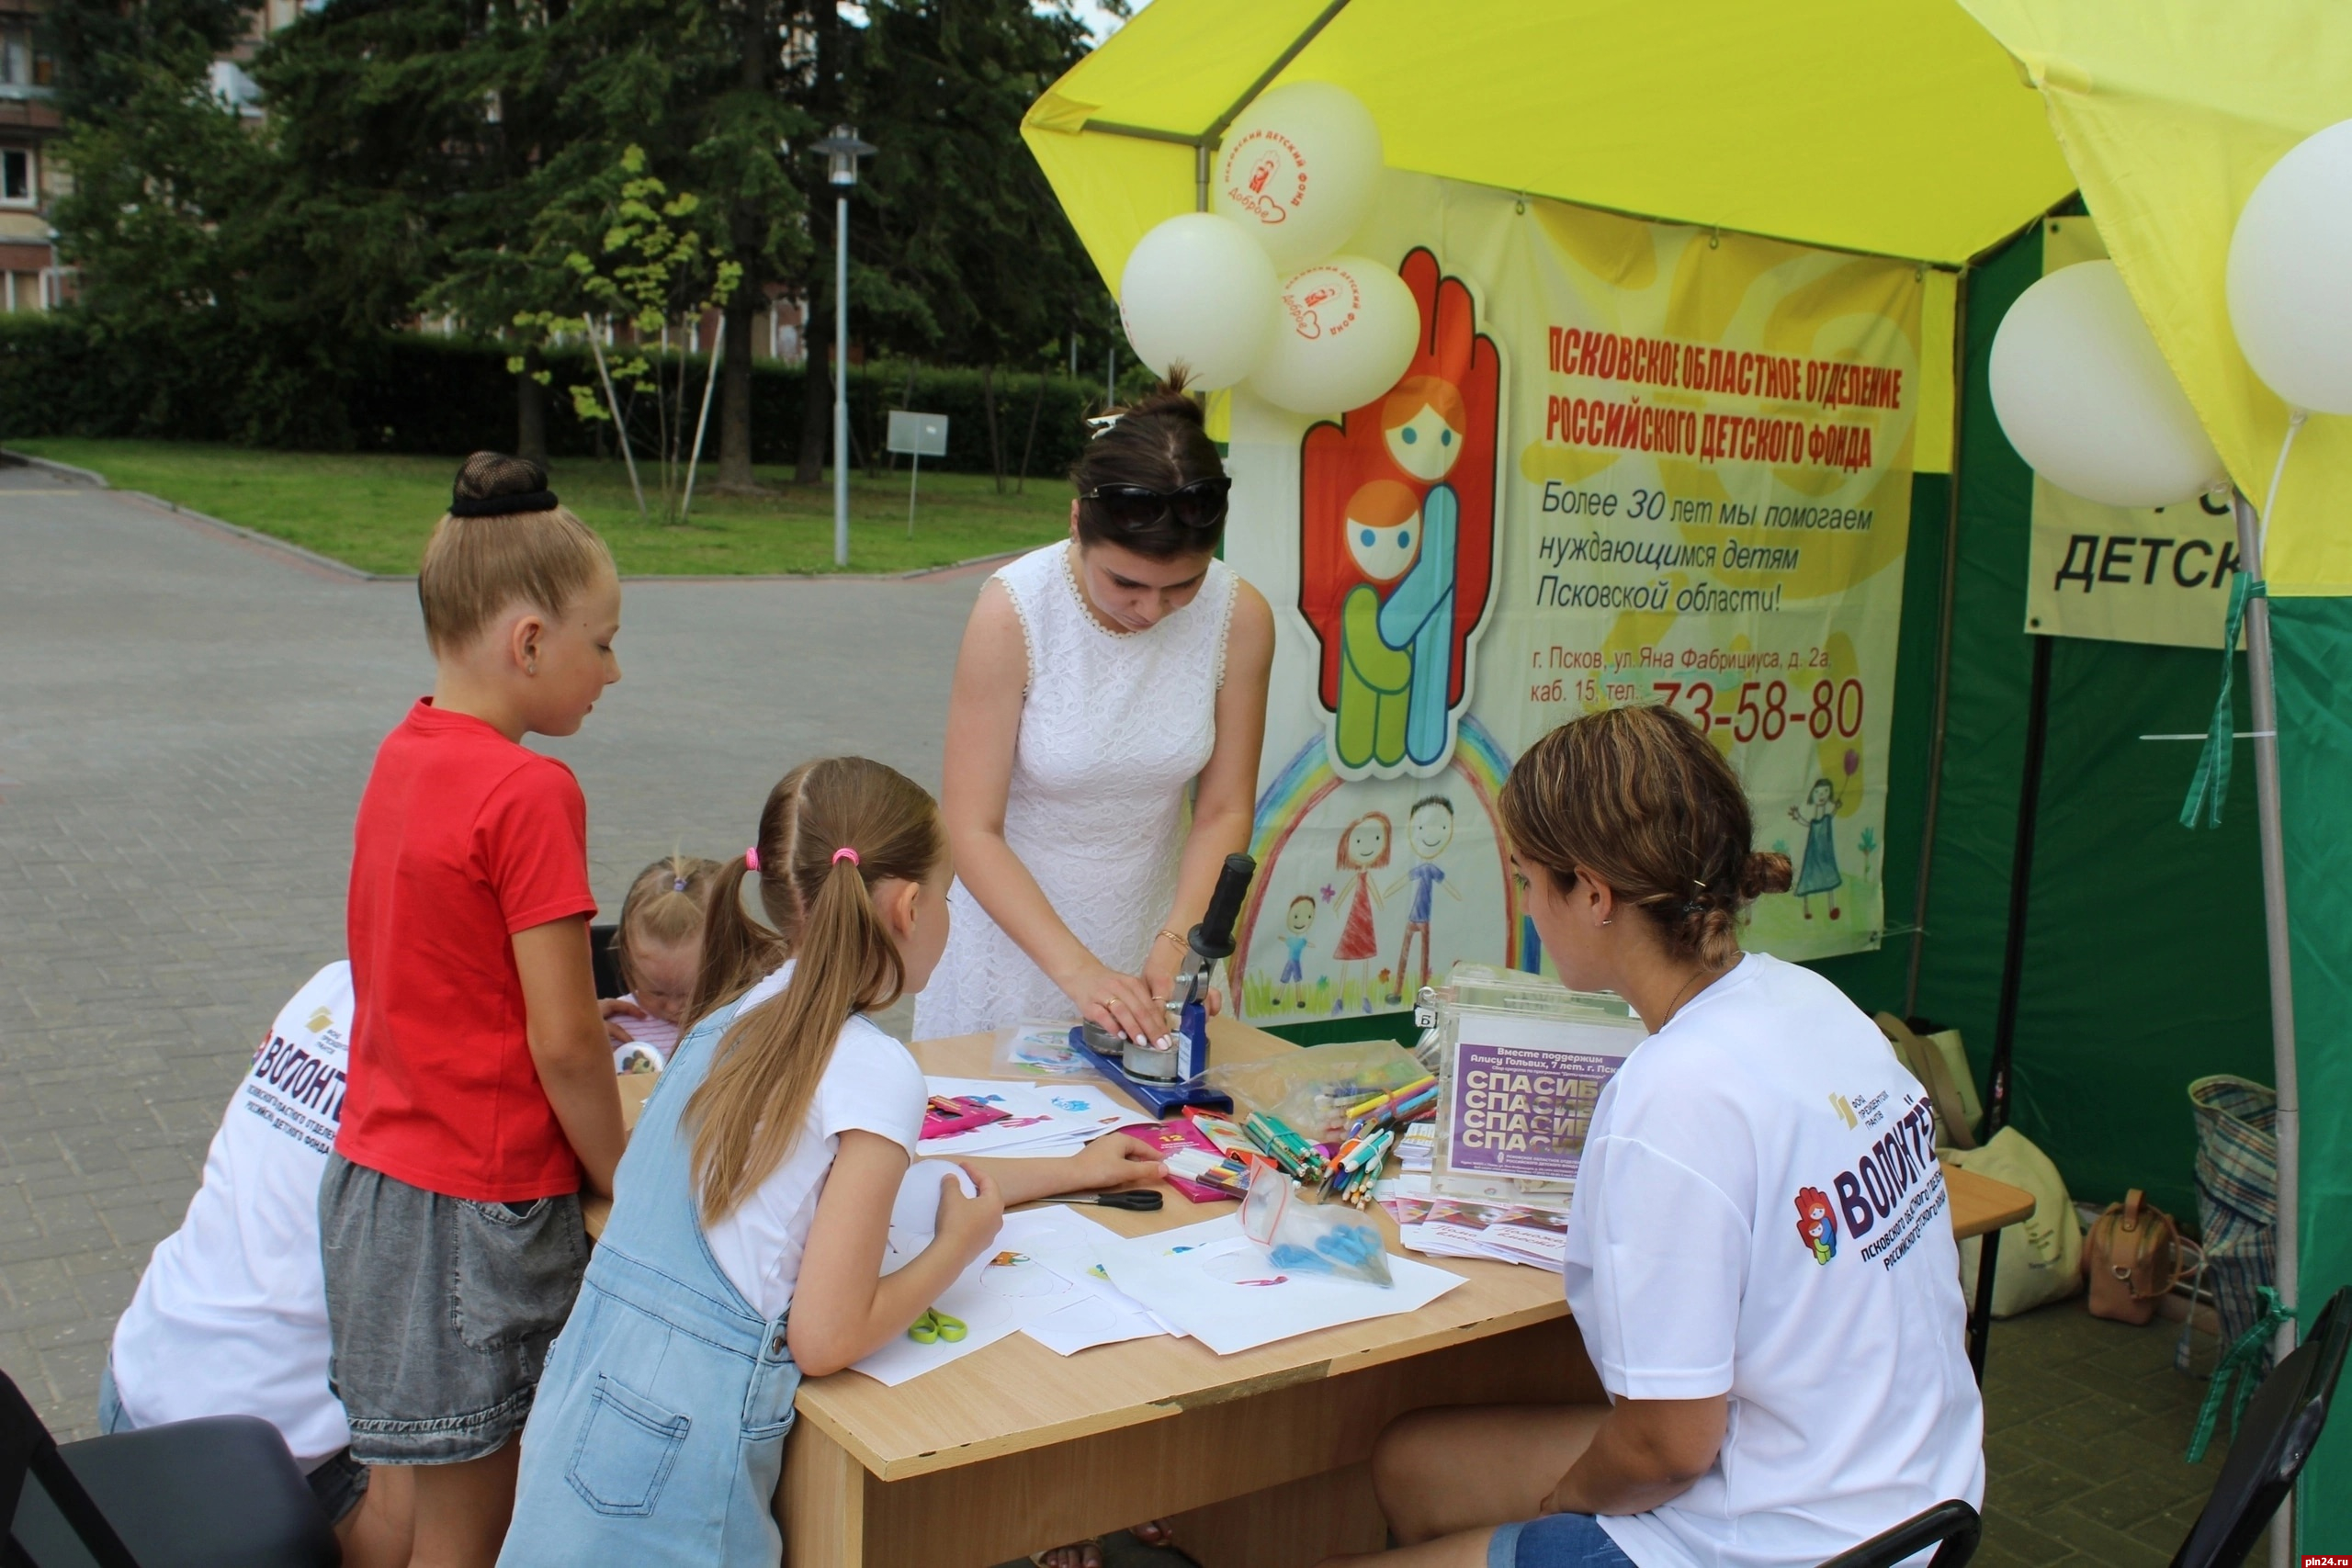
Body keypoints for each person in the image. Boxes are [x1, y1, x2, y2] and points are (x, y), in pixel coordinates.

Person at [1332, 705, 1983, 1568]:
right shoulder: (1808, 1001)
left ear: (1595, 893)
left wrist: (1564, 1508)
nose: (1528, 909)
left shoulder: (1671, 1096)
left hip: (1776, 1542)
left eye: (1530, 881)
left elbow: (1670, 1447)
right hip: (1911, 1499)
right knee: (1412, 1465)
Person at [497, 757, 1167, 1565]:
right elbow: (825, 1336)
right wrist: (959, 1246)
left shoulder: (738, 1014)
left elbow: (878, 1193)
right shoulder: (874, 1068)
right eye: (948, 899)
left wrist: (1075, 1168)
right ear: (912, 907)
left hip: (583, 1410)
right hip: (681, 1462)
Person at [322, 453, 627, 1568]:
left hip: (373, 1190)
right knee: (472, 1533)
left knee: (397, 1503)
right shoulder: (530, 790)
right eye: (601, 641)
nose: (614, 670)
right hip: (479, 1211)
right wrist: (621, 1177)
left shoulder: (401, 751)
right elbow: (565, 1039)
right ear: (529, 642)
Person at [916, 375, 1275, 1049]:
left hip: (1153, 939)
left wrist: (1178, 942)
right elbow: (970, 827)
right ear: (1077, 523)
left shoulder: (1241, 618)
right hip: (1013, 942)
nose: (1151, 610)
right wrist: (1077, 970)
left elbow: (1224, 808)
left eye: (1183, 587)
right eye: (1126, 583)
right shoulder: (1013, 610)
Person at [102, 962, 413, 1568]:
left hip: (137, 1375)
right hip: (258, 1462)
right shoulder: (462, 1052)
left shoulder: (334, 980)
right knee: (467, 1457)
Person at [601, 853, 728, 1067]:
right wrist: (579, 1031)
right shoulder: (613, 1027)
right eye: (656, 992)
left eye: (689, 993)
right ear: (628, 964)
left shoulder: (747, 1020)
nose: (672, 1007)